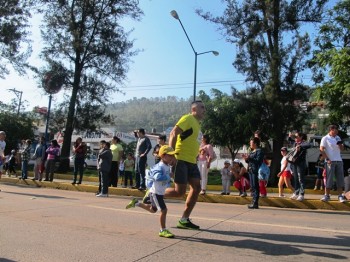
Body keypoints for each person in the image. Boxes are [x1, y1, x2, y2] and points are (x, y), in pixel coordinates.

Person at [164, 100, 205, 230]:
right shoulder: (187, 118)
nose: (204, 110)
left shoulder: (198, 125)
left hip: (192, 161)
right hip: (180, 159)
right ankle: (153, 192)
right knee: (179, 192)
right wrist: (171, 154)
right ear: (194, 109)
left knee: (197, 188)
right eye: (202, 107)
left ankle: (184, 219)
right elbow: (173, 133)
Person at [126, 145, 177, 238]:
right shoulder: (160, 166)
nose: (172, 157)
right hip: (156, 193)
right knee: (164, 210)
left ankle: (136, 203)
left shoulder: (166, 165)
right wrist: (169, 176)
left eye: (173, 155)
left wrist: (169, 179)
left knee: (153, 210)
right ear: (163, 156)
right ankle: (163, 230)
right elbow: (157, 177)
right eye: (170, 155)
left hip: (159, 193)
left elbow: (165, 179)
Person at [320, 124, 346, 203]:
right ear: (330, 130)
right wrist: (327, 159)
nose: (336, 132)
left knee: (340, 179)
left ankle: (340, 196)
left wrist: (340, 144)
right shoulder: (325, 138)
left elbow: (341, 149)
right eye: (334, 130)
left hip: (339, 160)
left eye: (337, 130)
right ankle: (327, 195)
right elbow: (321, 149)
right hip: (330, 161)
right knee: (329, 179)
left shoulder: (338, 137)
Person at [243, 137, 264, 209]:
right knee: (252, 186)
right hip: (251, 170)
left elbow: (258, 161)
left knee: (255, 186)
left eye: (251, 143)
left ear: (255, 143)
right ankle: (253, 201)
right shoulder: (252, 151)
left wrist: (249, 158)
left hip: (255, 170)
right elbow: (249, 161)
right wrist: (246, 159)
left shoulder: (259, 151)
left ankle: (255, 202)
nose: (250, 144)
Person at [290, 132, 311, 201]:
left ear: (301, 137)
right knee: (295, 179)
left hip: (301, 163)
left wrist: (300, 146)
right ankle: (296, 192)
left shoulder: (303, 143)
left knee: (301, 179)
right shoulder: (295, 143)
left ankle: (301, 194)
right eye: (295, 137)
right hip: (294, 163)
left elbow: (309, 145)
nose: (295, 138)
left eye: (296, 137)